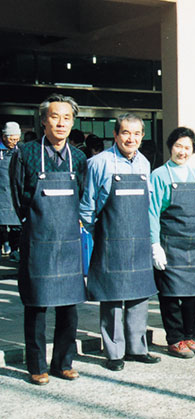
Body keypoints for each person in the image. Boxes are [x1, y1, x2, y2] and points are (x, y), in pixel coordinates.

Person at [9, 94, 87, 385]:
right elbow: (18, 196)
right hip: (38, 238)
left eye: (67, 117)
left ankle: (63, 363)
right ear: (43, 120)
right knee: (37, 305)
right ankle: (37, 366)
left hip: (68, 239)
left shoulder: (78, 158)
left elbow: (79, 194)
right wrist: (33, 222)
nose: (61, 123)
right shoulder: (26, 152)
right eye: (55, 116)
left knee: (69, 306)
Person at [80, 113, 160, 371]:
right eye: (126, 133)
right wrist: (100, 232)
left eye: (137, 134)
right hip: (109, 238)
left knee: (139, 296)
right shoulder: (98, 163)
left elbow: (147, 205)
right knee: (112, 298)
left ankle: (137, 348)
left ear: (142, 136)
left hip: (138, 238)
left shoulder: (144, 164)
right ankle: (114, 353)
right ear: (115, 135)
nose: (131, 138)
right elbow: (86, 206)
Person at [149, 127, 195, 358]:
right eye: (178, 146)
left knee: (193, 293)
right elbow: (152, 212)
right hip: (168, 242)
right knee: (170, 294)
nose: (182, 152)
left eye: (187, 148)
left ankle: (188, 335)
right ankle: (174, 339)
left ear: (193, 151)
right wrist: (154, 244)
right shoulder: (159, 176)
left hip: (192, 244)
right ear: (171, 147)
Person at [1, 122, 22, 261]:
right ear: (3, 137)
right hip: (1, 192)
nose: (14, 142)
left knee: (16, 225)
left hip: (14, 193)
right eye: (11, 139)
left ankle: (15, 250)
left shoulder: (20, 151)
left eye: (17, 139)